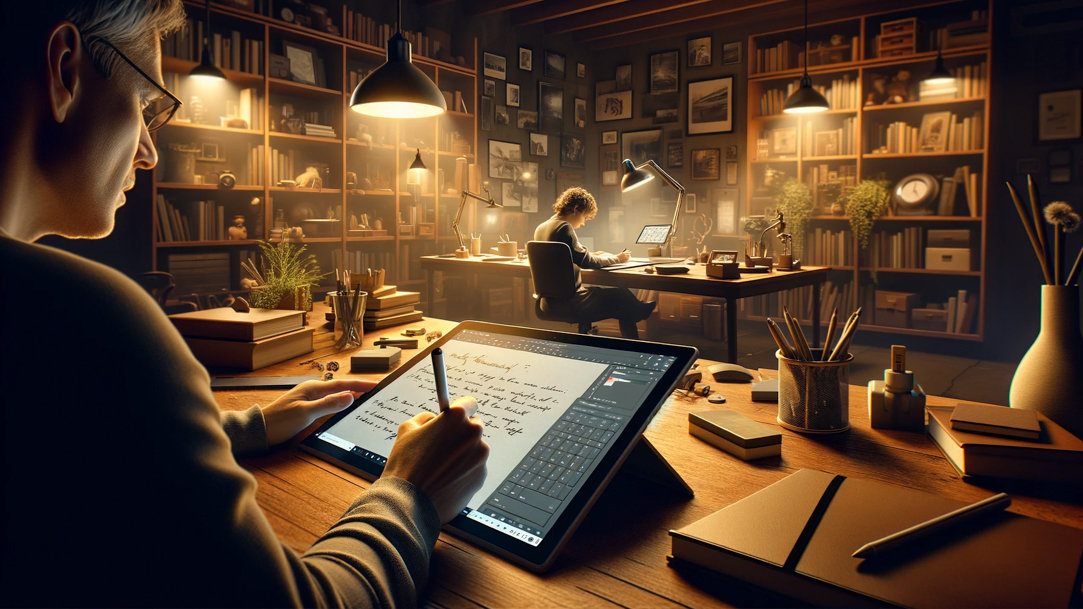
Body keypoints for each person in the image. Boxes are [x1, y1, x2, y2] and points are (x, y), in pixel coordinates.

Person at [0, 2, 488, 607]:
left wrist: (246, 426)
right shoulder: (86, 322)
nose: (149, 152)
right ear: (66, 68)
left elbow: (82, 443)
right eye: (148, 107)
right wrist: (411, 490)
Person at [533, 187, 656, 338]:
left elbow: (565, 256)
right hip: (571, 303)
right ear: (576, 209)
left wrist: (594, 254)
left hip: (548, 303)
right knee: (621, 296)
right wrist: (618, 258)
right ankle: (637, 330)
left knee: (620, 302)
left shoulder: (541, 227)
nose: (584, 223)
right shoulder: (565, 227)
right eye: (585, 217)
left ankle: (634, 316)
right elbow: (587, 262)